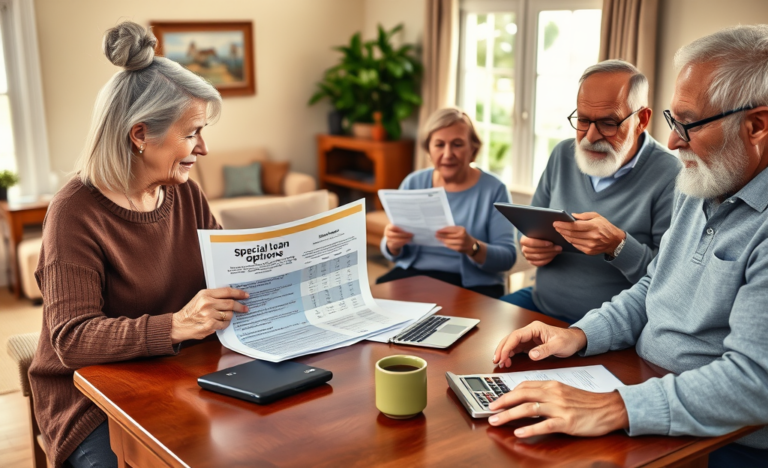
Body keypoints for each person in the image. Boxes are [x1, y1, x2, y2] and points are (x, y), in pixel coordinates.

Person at [490, 25, 768, 467]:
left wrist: (614, 407)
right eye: (673, 121)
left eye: (689, 124)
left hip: (722, 438)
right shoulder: (699, 181)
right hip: (642, 384)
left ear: (756, 126)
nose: (674, 141)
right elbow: (652, 289)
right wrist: (578, 335)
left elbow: (754, 383)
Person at [27, 22, 249, 468]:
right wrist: (176, 324)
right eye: (192, 133)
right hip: (91, 399)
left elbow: (230, 269)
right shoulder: (73, 212)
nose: (202, 148)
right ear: (140, 135)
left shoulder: (184, 190)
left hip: (181, 371)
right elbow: (71, 338)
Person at [500, 60, 680, 323]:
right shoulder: (563, 154)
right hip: (538, 306)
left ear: (641, 119)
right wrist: (531, 247)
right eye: (583, 120)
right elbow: (527, 230)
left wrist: (618, 246)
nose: (591, 136)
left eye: (608, 123)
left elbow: (670, 282)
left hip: (607, 327)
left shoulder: (671, 175)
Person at [376, 108, 516, 298]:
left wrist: (472, 247)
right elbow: (391, 249)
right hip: (414, 276)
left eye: (457, 144)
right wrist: (392, 244)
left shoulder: (495, 189)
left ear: (473, 149)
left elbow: (507, 258)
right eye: (439, 145)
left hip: (471, 286)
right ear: (429, 150)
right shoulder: (414, 182)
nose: (448, 153)